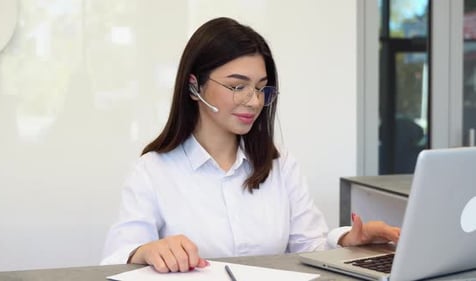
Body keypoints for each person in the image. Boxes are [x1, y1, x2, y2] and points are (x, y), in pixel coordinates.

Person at [100, 17, 400, 273]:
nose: (254, 101)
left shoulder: (279, 163)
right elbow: (115, 259)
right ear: (194, 87)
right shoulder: (153, 170)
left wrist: (349, 241)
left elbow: (310, 247)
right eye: (237, 86)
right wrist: (146, 251)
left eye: (260, 88)